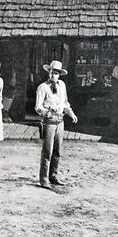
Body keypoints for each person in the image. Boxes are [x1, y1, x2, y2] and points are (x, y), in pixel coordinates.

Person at [35, 60, 78, 190]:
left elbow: (65, 103)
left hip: (60, 121)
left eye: (56, 73)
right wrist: (46, 113)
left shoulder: (62, 86)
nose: (54, 75)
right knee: (47, 151)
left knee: (57, 151)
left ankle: (53, 176)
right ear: (48, 72)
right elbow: (38, 107)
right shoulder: (42, 87)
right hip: (49, 122)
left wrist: (72, 114)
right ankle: (44, 179)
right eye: (52, 73)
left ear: (59, 74)